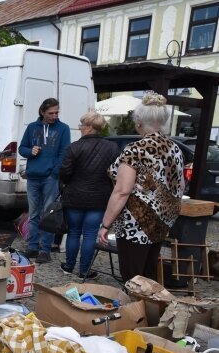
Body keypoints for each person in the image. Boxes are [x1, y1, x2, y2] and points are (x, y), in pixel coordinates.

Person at [99, 93, 185, 281]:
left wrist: (105, 224)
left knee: (133, 277)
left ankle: (137, 310)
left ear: (138, 123)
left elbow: (122, 191)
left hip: (136, 223)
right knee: (149, 273)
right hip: (162, 221)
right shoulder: (175, 148)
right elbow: (180, 186)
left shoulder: (136, 150)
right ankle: (150, 309)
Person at [59, 111, 120, 279]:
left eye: (81, 125)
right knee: (90, 234)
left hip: (74, 196)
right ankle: (84, 271)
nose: (80, 128)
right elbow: (116, 174)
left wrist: (70, 181)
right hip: (99, 198)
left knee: (73, 232)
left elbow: (64, 172)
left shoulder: (74, 147)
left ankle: (69, 266)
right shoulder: (113, 148)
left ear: (89, 127)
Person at [18, 98, 71, 264]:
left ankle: (45, 250)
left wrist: (54, 173)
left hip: (50, 177)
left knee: (48, 215)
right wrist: (29, 151)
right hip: (33, 176)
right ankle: (32, 247)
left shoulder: (63, 129)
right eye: (51, 113)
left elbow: (64, 152)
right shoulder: (32, 128)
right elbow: (22, 148)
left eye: (57, 112)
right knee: (33, 214)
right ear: (42, 112)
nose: (54, 116)